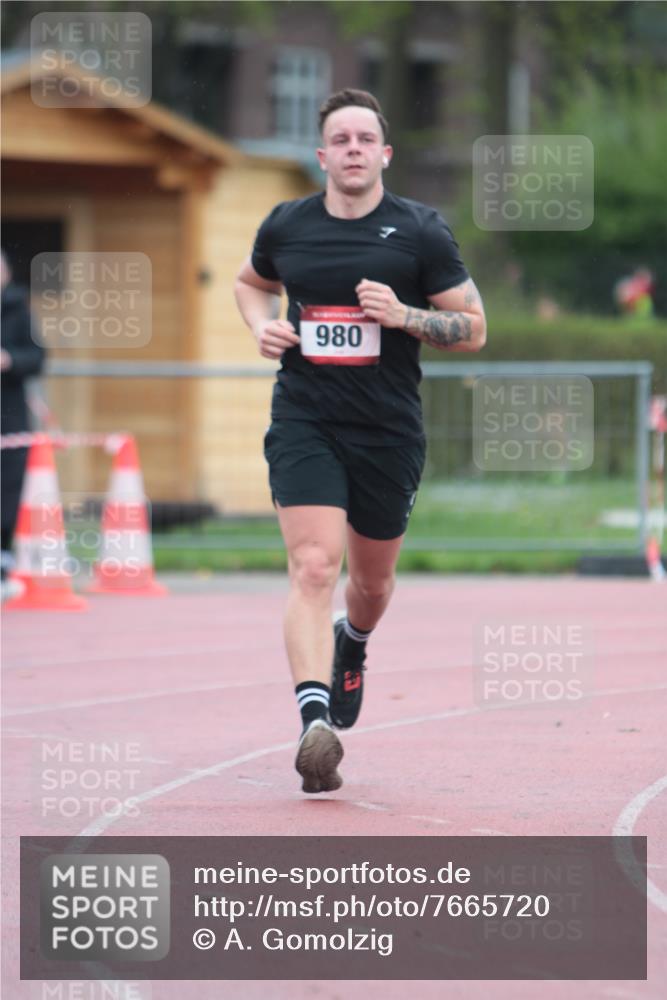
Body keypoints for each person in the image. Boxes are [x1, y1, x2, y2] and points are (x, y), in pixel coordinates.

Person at [234, 89, 486, 794]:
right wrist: (260, 326)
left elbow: (474, 329)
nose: (352, 149)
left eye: (364, 139)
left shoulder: (421, 231)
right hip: (304, 419)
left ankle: (355, 641)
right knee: (314, 567)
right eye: (340, 140)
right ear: (321, 155)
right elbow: (250, 284)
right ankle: (315, 723)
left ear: (384, 154)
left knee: (369, 584)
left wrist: (404, 315)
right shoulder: (286, 225)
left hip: (387, 430)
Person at [1, 249, 46, 600]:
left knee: (8, 488)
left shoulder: (19, 310)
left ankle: (5, 560)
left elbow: (37, 357)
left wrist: (10, 360)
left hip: (9, 414)